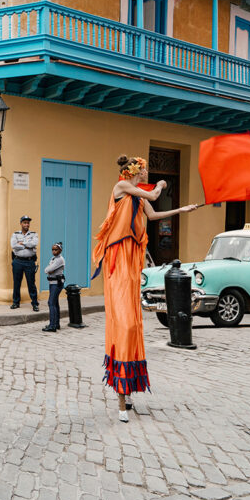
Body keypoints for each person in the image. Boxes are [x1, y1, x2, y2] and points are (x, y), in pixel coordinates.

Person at [93, 155, 197, 422]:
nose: (146, 174)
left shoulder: (138, 198)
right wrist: (160, 185)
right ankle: (120, 391)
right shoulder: (122, 188)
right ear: (134, 172)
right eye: (144, 171)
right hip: (117, 257)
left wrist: (180, 210)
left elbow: (153, 213)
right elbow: (152, 196)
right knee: (124, 324)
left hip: (132, 259)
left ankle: (126, 390)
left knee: (134, 322)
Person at [11, 215, 40, 311]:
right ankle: (16, 302)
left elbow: (34, 244)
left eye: (28, 223)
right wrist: (27, 245)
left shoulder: (34, 234)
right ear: (21, 223)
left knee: (31, 283)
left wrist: (21, 244)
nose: (26, 224)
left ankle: (35, 303)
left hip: (29, 261)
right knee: (16, 283)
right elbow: (13, 245)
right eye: (25, 222)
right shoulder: (15, 234)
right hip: (17, 261)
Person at [42, 242, 65, 332]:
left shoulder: (59, 259)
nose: (54, 251)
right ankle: (56, 323)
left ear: (60, 250)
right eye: (52, 249)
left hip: (57, 283)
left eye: (56, 249)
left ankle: (52, 326)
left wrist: (50, 270)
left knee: (51, 302)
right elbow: (48, 270)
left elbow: (48, 269)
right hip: (52, 283)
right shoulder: (53, 258)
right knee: (55, 303)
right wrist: (50, 270)